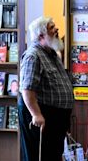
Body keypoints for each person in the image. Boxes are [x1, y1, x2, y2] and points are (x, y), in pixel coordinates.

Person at [18, 16, 74, 161]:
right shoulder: (33, 56)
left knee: (52, 156)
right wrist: (36, 114)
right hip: (42, 116)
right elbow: (27, 89)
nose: (56, 29)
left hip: (55, 118)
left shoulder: (52, 54)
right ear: (41, 35)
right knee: (38, 157)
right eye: (51, 28)